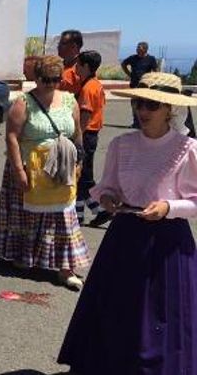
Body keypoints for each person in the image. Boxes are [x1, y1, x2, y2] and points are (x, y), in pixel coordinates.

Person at [58, 72, 197, 374]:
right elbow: (107, 186)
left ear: (170, 110)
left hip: (167, 241)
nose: (142, 111)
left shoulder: (187, 149)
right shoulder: (122, 144)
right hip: (124, 236)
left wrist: (168, 206)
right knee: (118, 309)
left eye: (151, 105)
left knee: (161, 315)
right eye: (138, 103)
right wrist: (108, 199)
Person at [0, 55, 88, 290]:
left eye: (55, 79)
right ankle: (24, 257)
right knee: (27, 216)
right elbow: (12, 136)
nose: (50, 84)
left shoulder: (69, 100)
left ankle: (66, 269)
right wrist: (18, 170)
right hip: (29, 165)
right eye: (45, 79)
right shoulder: (24, 102)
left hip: (62, 166)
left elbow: (77, 134)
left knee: (65, 217)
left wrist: (79, 161)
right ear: (37, 78)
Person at [74, 51, 107, 225]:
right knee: (84, 177)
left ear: (86, 66)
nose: (75, 68)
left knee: (82, 177)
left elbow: (85, 115)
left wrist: (77, 137)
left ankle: (82, 214)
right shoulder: (95, 84)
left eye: (78, 64)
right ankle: (97, 210)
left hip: (86, 134)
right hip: (92, 134)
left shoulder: (88, 88)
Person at [121, 41, 160, 128]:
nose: (137, 50)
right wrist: (129, 74)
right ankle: (136, 123)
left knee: (145, 105)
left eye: (139, 48)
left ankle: (146, 122)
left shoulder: (151, 59)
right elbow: (123, 64)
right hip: (134, 85)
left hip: (146, 86)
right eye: (137, 48)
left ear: (145, 49)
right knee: (134, 104)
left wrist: (154, 81)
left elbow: (156, 71)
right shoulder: (132, 58)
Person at [57, 29, 83, 96]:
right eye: (59, 43)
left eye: (63, 43)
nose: (58, 46)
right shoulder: (58, 67)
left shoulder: (83, 70)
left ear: (74, 46)